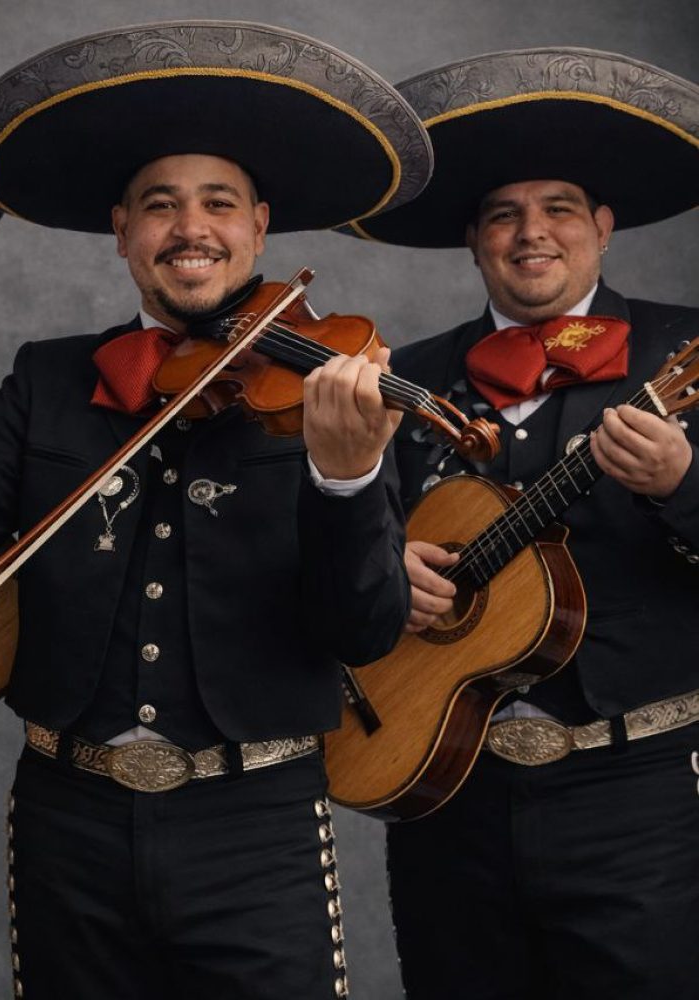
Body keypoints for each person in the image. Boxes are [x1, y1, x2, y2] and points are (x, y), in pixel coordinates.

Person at [0, 21, 432, 999]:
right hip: (68, 818)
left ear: (257, 226)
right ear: (121, 230)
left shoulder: (337, 389)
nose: (189, 228)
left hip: (257, 821)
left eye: (216, 204)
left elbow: (362, 627)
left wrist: (343, 479)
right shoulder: (48, 378)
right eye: (159, 206)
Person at [342, 47, 699, 999]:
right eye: (503, 213)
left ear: (605, 228)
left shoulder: (679, 347)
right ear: (473, 239)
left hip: (636, 790)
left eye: (558, 209)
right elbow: (336, 550)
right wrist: (389, 570)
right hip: (445, 778)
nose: (530, 232)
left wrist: (682, 484)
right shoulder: (405, 372)